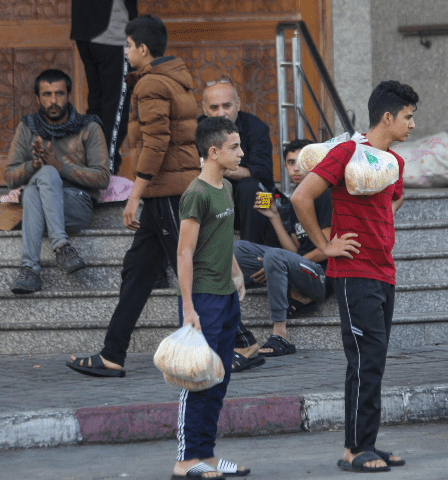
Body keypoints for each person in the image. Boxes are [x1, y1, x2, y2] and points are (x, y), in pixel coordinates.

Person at [291, 80, 417, 472]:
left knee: (374, 360)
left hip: (384, 270)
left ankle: (365, 444)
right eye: (408, 117)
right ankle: (354, 449)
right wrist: (325, 246)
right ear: (387, 116)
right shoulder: (348, 152)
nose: (413, 124)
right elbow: (301, 197)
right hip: (354, 272)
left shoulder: (392, 161)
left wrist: (379, 227)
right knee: (364, 360)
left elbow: (396, 196)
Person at [67, 15, 200, 377]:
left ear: (142, 49)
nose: (124, 52)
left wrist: (133, 195)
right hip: (164, 191)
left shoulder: (151, 84)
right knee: (137, 272)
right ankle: (113, 354)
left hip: (168, 192)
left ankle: (239, 342)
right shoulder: (169, 78)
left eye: (127, 46)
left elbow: (157, 143)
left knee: (193, 270)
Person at [172, 116, 249, 480]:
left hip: (225, 297)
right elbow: (184, 253)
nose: (241, 152)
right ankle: (186, 460)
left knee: (219, 379)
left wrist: (236, 273)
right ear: (213, 152)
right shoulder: (196, 193)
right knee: (197, 381)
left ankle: (207, 455)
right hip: (201, 299)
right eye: (234, 147)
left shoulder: (226, 189)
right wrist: (188, 307)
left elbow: (222, 238)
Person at [5, 69, 111, 294]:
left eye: (59, 93)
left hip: (75, 205)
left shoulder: (89, 127)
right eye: (47, 94)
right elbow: (10, 177)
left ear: (69, 95)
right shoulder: (28, 126)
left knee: (48, 174)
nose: (53, 100)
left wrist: (59, 166)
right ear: (37, 98)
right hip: (38, 205)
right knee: (39, 182)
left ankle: (30, 270)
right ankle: (62, 248)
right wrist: (35, 164)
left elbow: (102, 177)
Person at [232, 138, 333, 363]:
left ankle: (280, 334)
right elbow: (295, 248)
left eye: (301, 161)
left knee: (275, 255)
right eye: (290, 162)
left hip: (321, 276)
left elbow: (327, 248)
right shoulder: (297, 198)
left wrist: (283, 263)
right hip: (301, 267)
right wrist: (275, 217)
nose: (296, 168)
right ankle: (227, 320)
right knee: (237, 248)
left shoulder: (324, 194)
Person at [199, 79, 275, 244]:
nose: (221, 113)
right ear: (205, 109)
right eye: (214, 107)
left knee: (252, 186)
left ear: (238, 104)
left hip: (260, 204)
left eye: (227, 106)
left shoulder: (256, 127)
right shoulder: (196, 130)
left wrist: (222, 168)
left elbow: (264, 173)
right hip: (216, 205)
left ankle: (253, 254)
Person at [70, 0, 138, 174]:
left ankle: (92, 168)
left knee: (97, 106)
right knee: (115, 110)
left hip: (85, 30)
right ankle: (104, 174)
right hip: (111, 32)